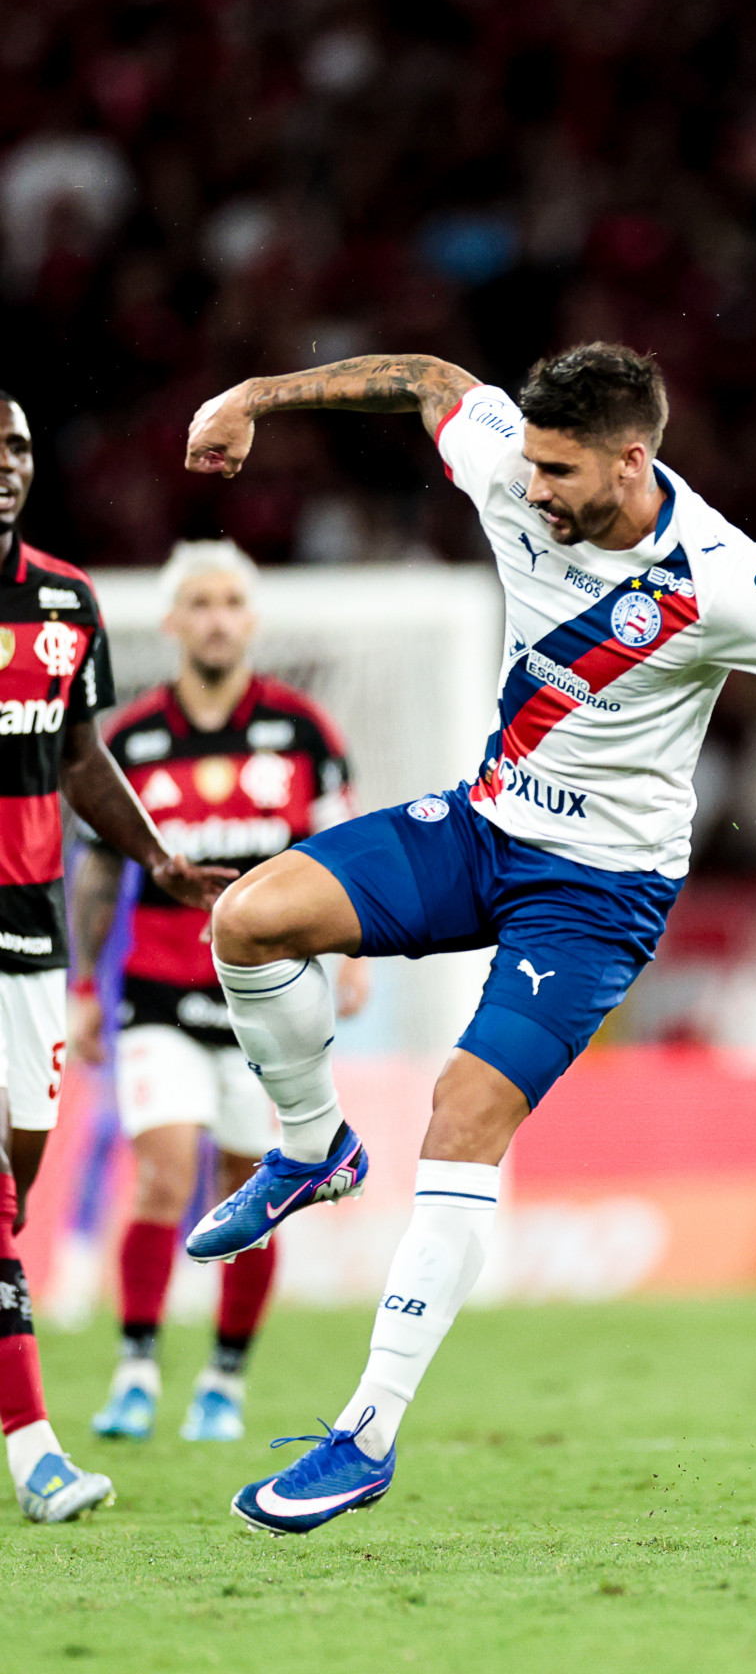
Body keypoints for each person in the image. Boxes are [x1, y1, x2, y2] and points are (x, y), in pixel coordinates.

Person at [182, 343, 756, 1533]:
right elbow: (427, 379)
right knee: (248, 919)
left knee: (464, 1108)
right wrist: (252, 394)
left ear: (633, 461)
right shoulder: (512, 465)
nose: (529, 489)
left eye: (559, 471)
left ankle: (364, 1435)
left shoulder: (719, 576)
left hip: (597, 893)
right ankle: (313, 1149)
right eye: (526, 459)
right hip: (482, 827)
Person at [69, 540, 371, 1445]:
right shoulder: (129, 741)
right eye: (197, 602)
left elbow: (342, 855)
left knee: (249, 1188)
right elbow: (93, 872)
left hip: (271, 1003)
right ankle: (133, 1370)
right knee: (163, 1175)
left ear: (251, 619)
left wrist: (352, 957)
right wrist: (87, 984)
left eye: (230, 601)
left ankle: (225, 1380)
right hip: (157, 989)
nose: (215, 617)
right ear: (170, 622)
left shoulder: (303, 732)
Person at [0, 397, 230, 1522]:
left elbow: (81, 756)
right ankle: (34, 1450)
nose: (5, 468)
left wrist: (160, 860)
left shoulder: (65, 600)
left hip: (32, 932)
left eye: (19, 450)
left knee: (19, 1172)